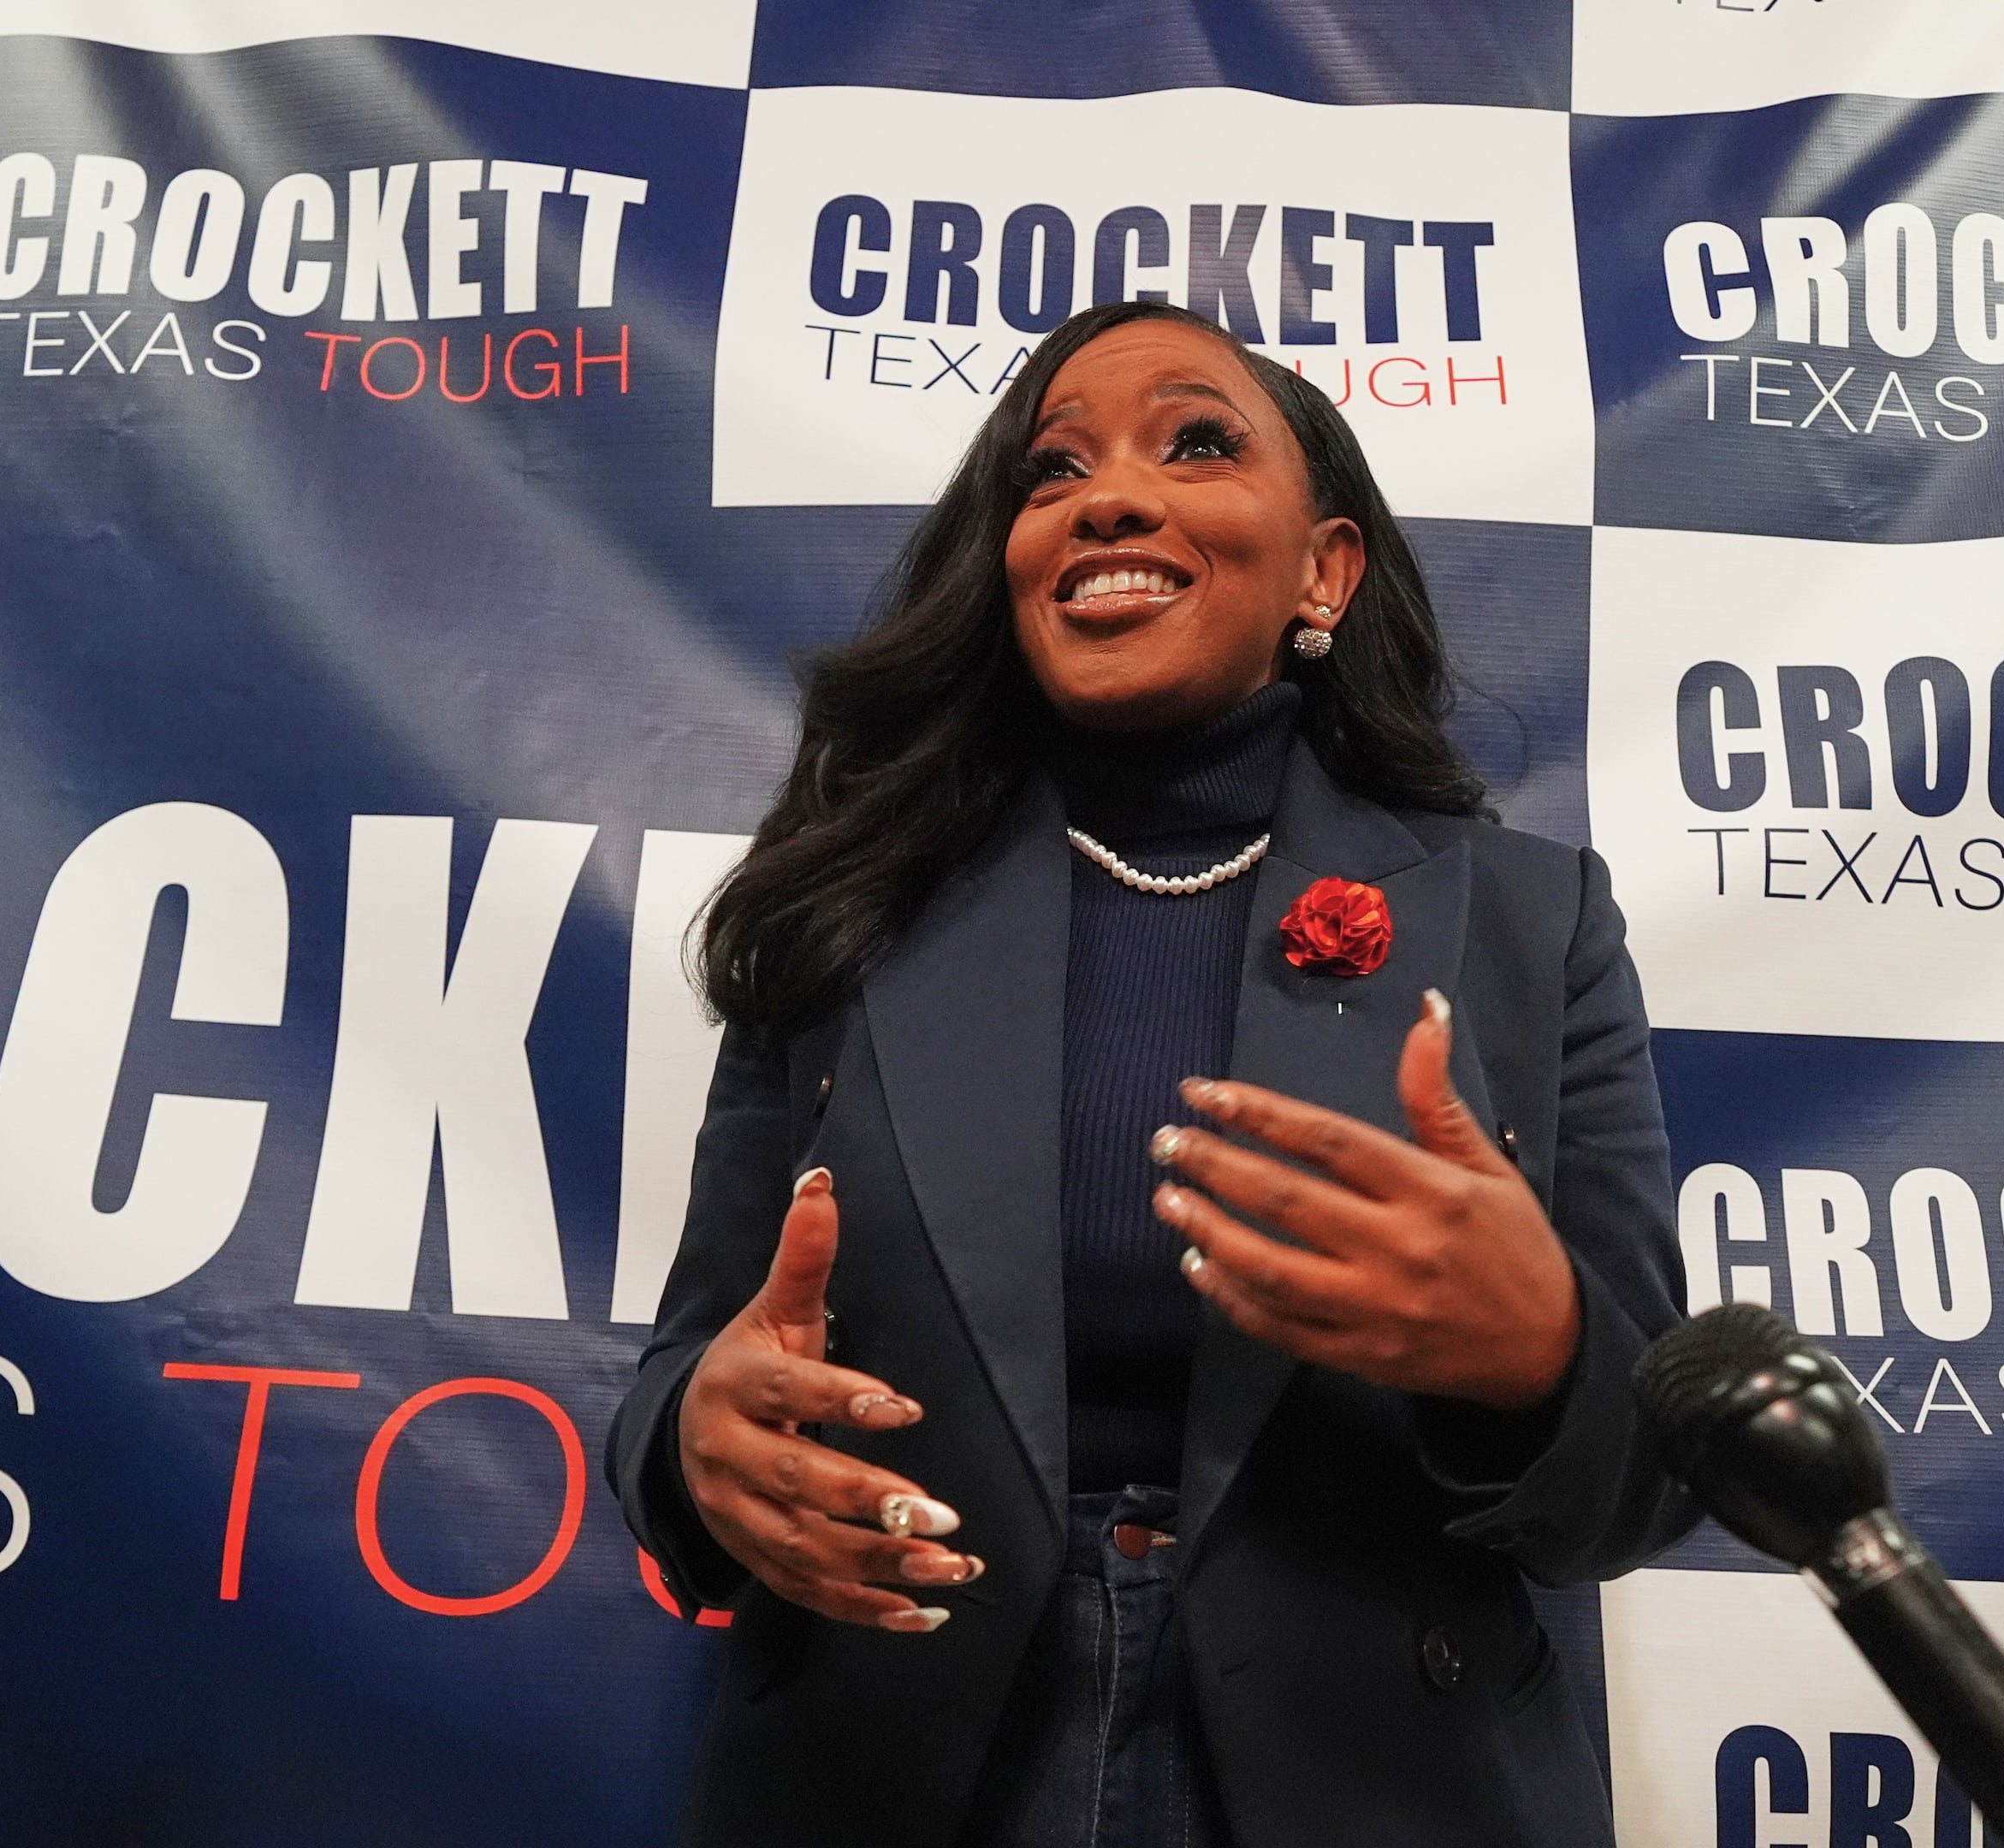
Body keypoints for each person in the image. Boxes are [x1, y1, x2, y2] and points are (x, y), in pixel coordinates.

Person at [608, 299, 1694, 1848]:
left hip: (1382, 1784)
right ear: (1014, 565)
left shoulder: (1532, 924)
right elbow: (679, 1393)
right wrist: (701, 1451)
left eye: (1196, 442)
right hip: (892, 1773)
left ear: (1325, 569)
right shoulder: (846, 910)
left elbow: (1645, 1478)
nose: (1110, 496)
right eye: (1054, 471)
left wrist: (1538, 1353)